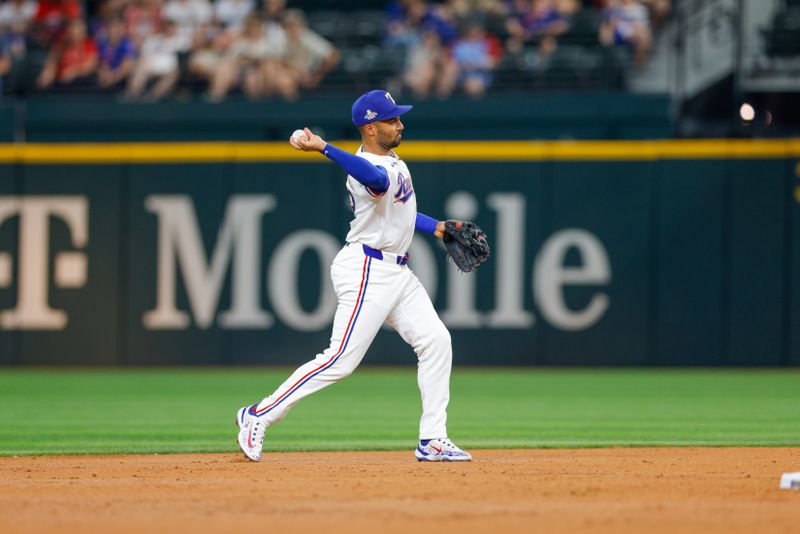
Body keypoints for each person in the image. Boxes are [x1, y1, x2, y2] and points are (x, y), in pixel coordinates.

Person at [236, 90, 472, 463]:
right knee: (340, 359)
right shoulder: (366, 170)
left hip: (397, 271)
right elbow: (375, 180)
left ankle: (433, 439)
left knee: (436, 341)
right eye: (391, 120)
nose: (400, 124)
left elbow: (400, 210)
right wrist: (324, 147)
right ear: (370, 128)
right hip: (367, 270)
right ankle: (258, 414)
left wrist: (438, 228)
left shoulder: (392, 160)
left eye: (398, 118)